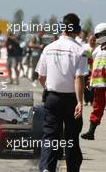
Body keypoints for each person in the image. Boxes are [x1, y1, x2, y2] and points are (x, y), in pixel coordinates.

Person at [36, 13, 87, 172]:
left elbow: (41, 77)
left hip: (52, 98)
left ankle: (46, 168)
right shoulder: (80, 50)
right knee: (71, 138)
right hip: (71, 100)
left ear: (62, 28)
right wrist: (79, 102)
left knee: (50, 137)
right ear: (77, 29)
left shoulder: (48, 48)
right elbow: (79, 78)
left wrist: (49, 88)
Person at [81, 23, 106, 140]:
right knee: (97, 108)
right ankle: (91, 132)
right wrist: (90, 80)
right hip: (98, 85)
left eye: (98, 35)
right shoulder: (96, 51)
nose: (96, 37)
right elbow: (94, 66)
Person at [82, 34, 96, 106]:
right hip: (86, 69)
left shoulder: (98, 47)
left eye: (94, 40)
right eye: (91, 40)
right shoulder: (85, 47)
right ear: (88, 40)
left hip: (95, 69)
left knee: (93, 85)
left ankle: (92, 100)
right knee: (86, 85)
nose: (92, 41)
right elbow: (82, 56)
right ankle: (86, 100)